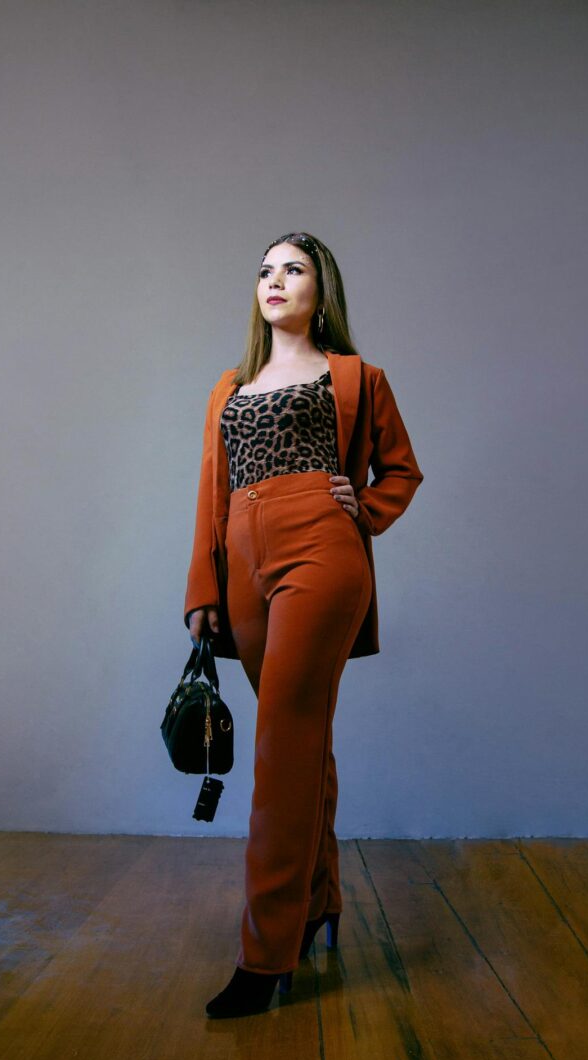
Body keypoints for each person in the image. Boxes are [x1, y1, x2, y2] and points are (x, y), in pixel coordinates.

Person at [184, 231, 422, 1018]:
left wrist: (366, 512)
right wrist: (203, 592)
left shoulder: (355, 377)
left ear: (324, 291)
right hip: (243, 569)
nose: (275, 280)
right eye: (264, 270)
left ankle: (264, 953)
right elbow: (210, 501)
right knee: (302, 741)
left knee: (280, 745)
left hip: (322, 551)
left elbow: (401, 471)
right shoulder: (230, 387)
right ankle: (318, 901)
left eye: (294, 268)